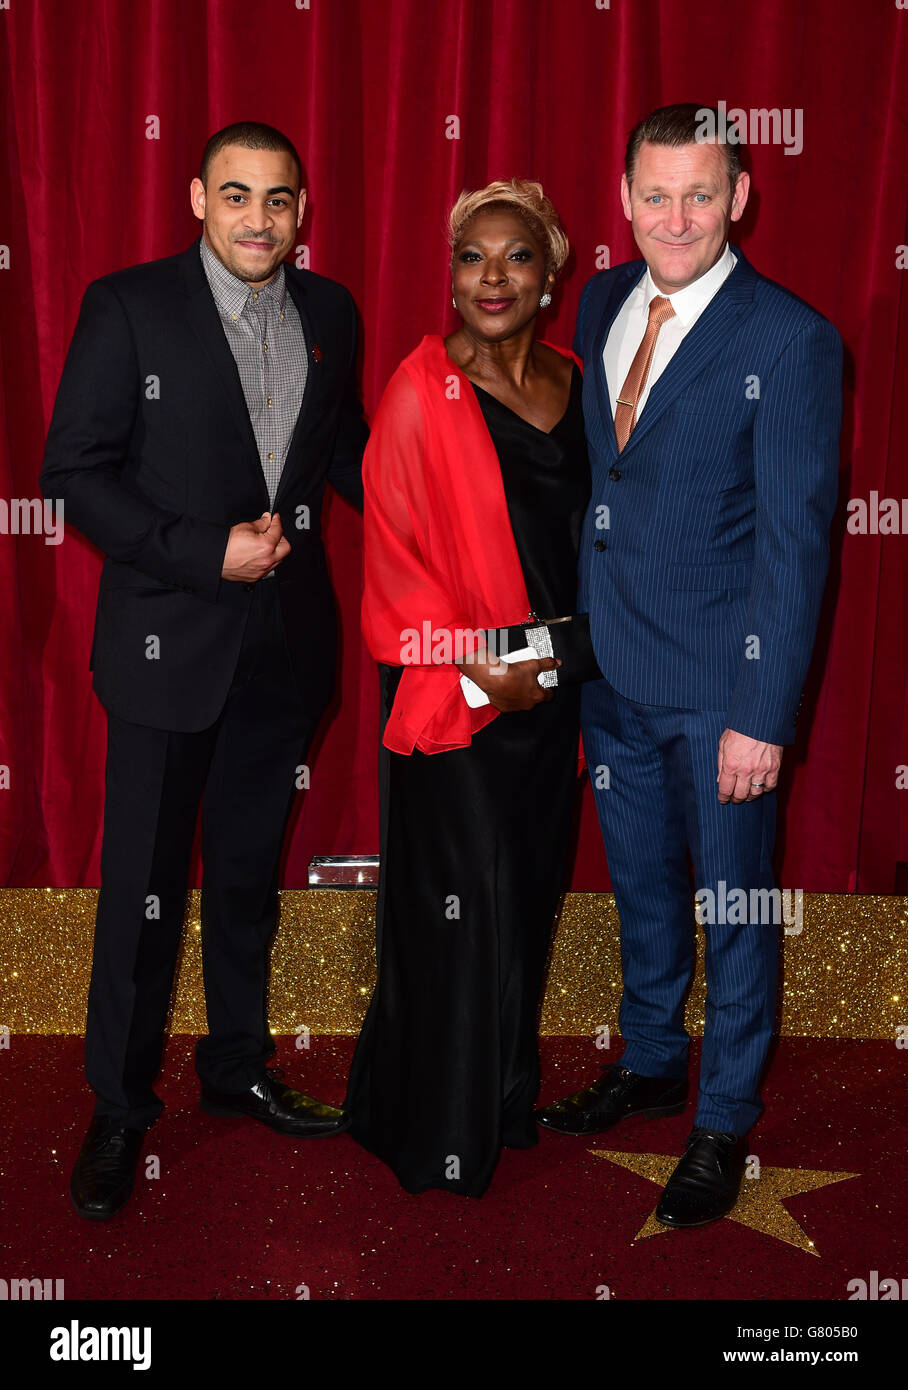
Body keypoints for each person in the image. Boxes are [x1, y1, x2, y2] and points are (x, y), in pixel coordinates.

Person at [40, 121, 368, 1220]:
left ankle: (234, 1069)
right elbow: (73, 472)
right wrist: (202, 551)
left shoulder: (331, 314)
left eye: (278, 200)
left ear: (302, 212)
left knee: (242, 881)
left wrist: (486, 478)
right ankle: (120, 1104)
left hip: (283, 655)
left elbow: (356, 454)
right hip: (162, 651)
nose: (258, 220)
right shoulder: (126, 305)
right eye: (236, 196)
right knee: (141, 890)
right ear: (196, 199)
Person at [536, 104, 842, 1228]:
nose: (676, 218)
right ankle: (653, 1057)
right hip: (612, 675)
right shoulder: (605, 298)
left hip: (721, 689)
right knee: (644, 889)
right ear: (622, 199)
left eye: (700, 194)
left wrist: (761, 715)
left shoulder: (787, 340)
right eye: (655, 195)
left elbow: (793, 544)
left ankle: (720, 1118)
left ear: (740, 197)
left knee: (735, 904)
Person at [345, 180, 596, 1197]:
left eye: (516, 258)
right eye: (471, 259)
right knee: (461, 912)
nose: (491, 277)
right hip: (458, 693)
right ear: (449, 275)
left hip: (557, 687)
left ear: (550, 274)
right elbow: (391, 557)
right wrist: (477, 666)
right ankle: (433, 1134)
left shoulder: (580, 381)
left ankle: (497, 1095)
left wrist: (565, 662)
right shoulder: (417, 388)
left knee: (524, 901)